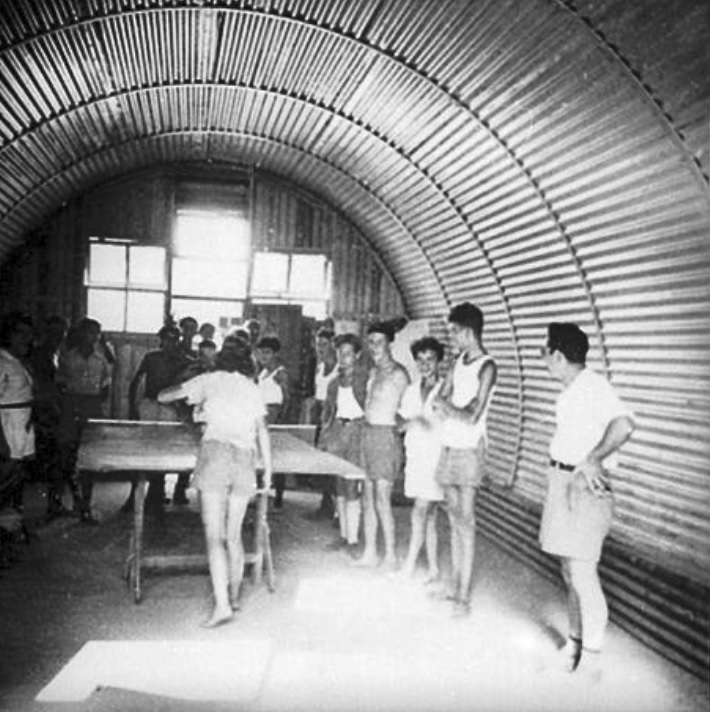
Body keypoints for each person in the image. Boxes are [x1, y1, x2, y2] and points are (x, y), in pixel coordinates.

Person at [538, 322, 635, 674]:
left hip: (584, 488)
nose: (543, 359)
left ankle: (592, 654)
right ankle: (575, 641)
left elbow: (624, 424)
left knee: (581, 572)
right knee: (568, 569)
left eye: (545, 352)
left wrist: (593, 458)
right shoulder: (571, 392)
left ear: (559, 356)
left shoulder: (593, 386)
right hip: (562, 481)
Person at [158, 341, 273, 628]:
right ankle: (233, 596)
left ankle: (222, 606)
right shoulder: (251, 387)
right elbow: (262, 431)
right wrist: (268, 471)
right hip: (246, 459)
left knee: (214, 537)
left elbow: (163, 396)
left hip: (216, 454)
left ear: (220, 359)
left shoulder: (208, 379)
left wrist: (190, 394)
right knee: (233, 536)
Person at [432, 302, 497, 617]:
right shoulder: (458, 361)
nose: (452, 338)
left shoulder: (487, 366)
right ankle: (456, 586)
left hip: (469, 449)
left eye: (454, 332)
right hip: (448, 445)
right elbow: (439, 399)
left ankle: (464, 597)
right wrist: (445, 406)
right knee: (453, 519)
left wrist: (447, 407)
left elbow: (472, 415)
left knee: (466, 523)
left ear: (468, 331)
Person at [357, 322, 410, 569]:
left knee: (382, 499)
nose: (374, 347)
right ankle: (370, 552)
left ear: (390, 343)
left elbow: (411, 411)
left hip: (385, 437)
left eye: (379, 341)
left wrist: (395, 432)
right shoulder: (373, 372)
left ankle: (389, 555)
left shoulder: (399, 374)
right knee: (366, 497)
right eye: (371, 342)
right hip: (368, 435)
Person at [123, 325, 190, 512]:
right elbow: (136, 381)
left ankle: (157, 492)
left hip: (171, 408)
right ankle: (136, 496)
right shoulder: (151, 358)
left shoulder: (183, 360)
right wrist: (132, 407)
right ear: (161, 339)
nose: (170, 343)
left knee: (164, 449)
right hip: (150, 405)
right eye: (167, 338)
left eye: (174, 339)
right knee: (145, 448)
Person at [397, 336, 446, 582]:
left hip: (436, 458)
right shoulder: (411, 390)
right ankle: (434, 569)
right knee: (429, 516)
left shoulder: (447, 389)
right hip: (415, 457)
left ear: (438, 361)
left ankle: (408, 566)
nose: (425, 364)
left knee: (420, 510)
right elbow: (399, 423)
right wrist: (414, 421)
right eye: (421, 360)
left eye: (430, 359)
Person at [56, 317, 113, 524]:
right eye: (90, 332)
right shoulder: (68, 356)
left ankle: (85, 506)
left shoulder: (103, 357)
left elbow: (106, 384)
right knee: (68, 454)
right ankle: (66, 502)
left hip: (92, 407)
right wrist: (72, 403)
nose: (93, 337)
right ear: (81, 333)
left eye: (97, 333)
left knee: (89, 457)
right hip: (72, 406)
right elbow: (60, 383)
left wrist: (95, 404)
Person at [318, 333, 368, 557]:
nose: (344, 358)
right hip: (338, 432)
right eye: (340, 353)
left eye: (349, 354)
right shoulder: (334, 384)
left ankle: (354, 540)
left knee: (351, 486)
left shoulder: (364, 379)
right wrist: (324, 439)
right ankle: (344, 535)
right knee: (338, 484)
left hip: (357, 433)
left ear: (357, 355)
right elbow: (328, 413)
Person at [29, 315, 70, 518]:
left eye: (61, 332)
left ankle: (54, 505)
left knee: (56, 461)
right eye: (54, 331)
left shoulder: (56, 353)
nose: (58, 335)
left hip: (51, 412)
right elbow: (39, 388)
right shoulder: (40, 354)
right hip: (42, 414)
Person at [0, 312, 36, 519]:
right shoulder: (2, 361)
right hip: (7, 426)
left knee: (17, 476)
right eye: (20, 333)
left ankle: (12, 523)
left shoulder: (17, 361)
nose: (25, 338)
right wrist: (2, 441)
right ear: (8, 335)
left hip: (22, 423)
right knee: (5, 476)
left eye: (28, 334)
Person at [304, 327, 339, 520]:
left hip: (332, 416)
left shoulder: (339, 368)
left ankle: (336, 510)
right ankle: (325, 504)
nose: (320, 348)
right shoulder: (319, 366)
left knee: (332, 462)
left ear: (333, 345)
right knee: (320, 463)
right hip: (318, 414)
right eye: (318, 344)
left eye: (324, 344)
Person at [256, 336, 290, 509]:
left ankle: (279, 496)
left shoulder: (280, 372)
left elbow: (287, 398)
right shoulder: (262, 372)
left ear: (275, 354)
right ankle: (261, 491)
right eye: (261, 352)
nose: (264, 355)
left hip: (274, 415)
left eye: (268, 352)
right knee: (261, 455)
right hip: (261, 415)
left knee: (277, 457)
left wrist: (281, 421)